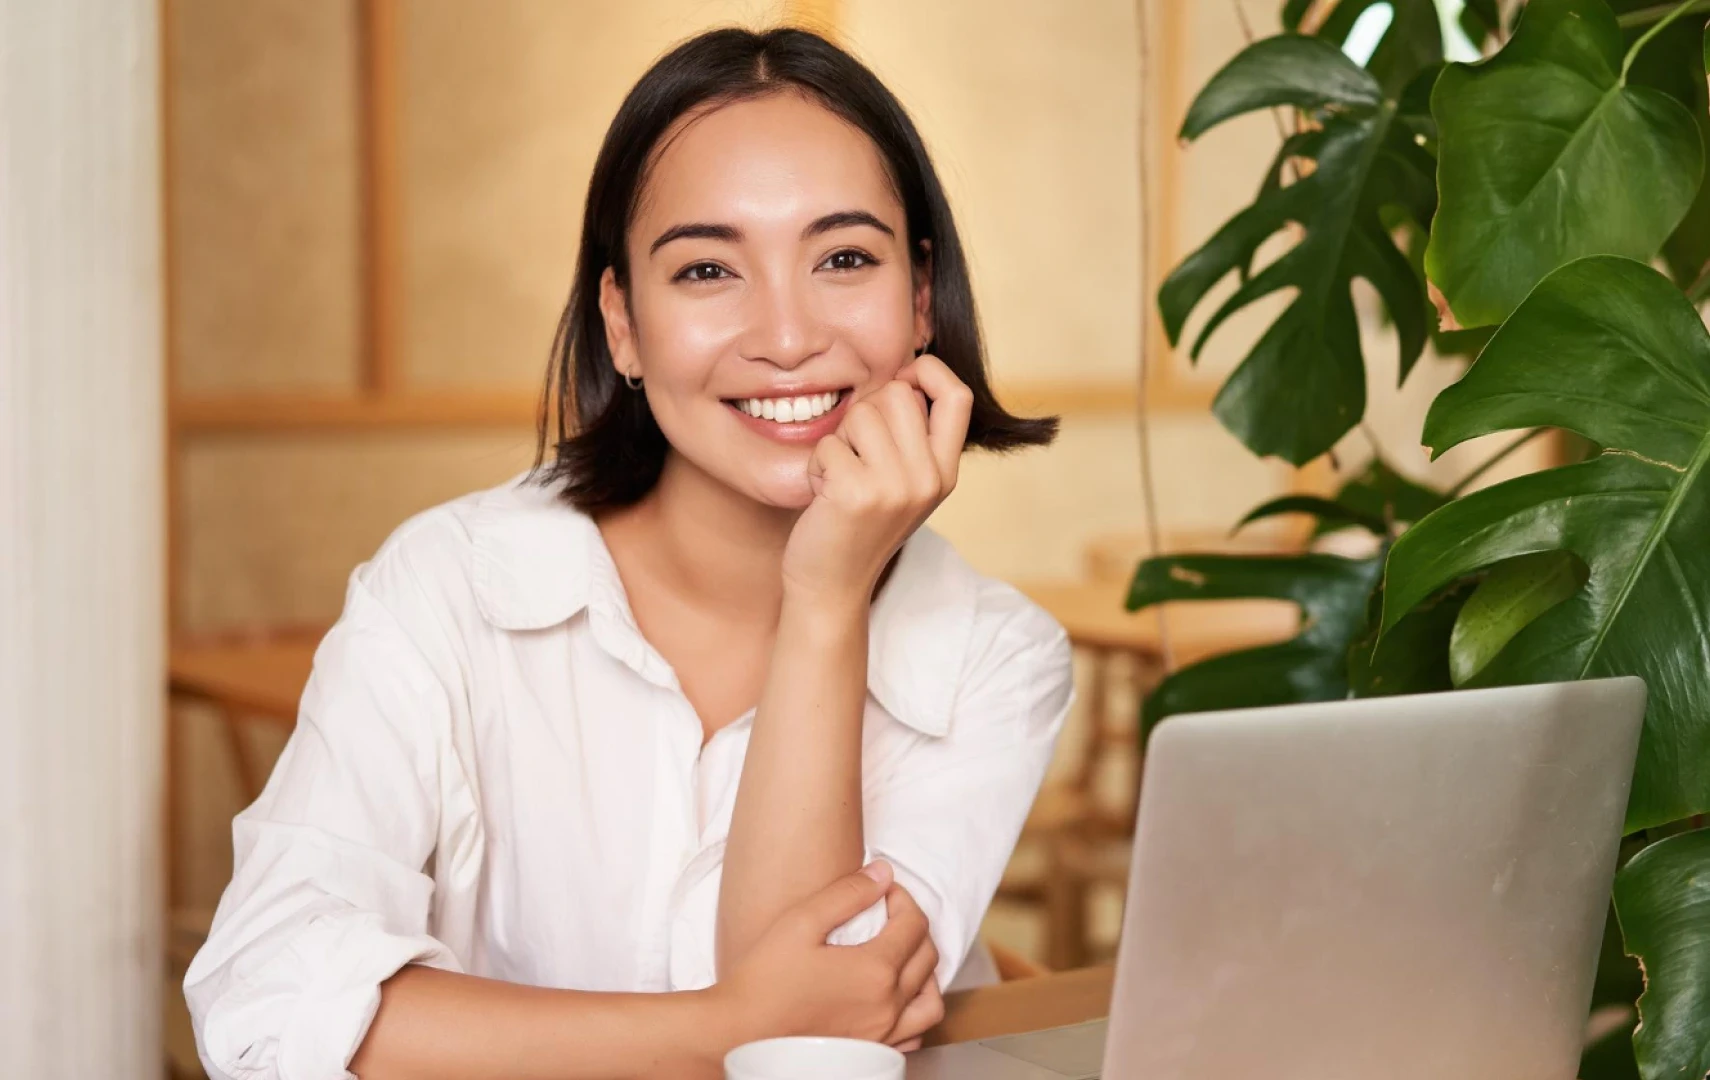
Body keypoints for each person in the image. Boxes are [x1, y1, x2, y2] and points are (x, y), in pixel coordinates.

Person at [185, 24, 1072, 1080]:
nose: (786, 336)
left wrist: (826, 593)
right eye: (707, 269)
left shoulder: (996, 657)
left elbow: (807, 1066)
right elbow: (264, 1001)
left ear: (920, 298)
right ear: (624, 326)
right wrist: (716, 1025)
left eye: (843, 258)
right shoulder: (447, 586)